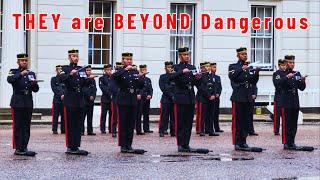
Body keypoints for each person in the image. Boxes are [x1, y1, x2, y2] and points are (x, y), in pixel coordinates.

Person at [170, 47, 209, 154]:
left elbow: (197, 83)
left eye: (188, 54)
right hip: (180, 97)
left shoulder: (192, 67)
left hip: (190, 97)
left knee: (188, 123)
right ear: (180, 56)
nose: (187, 56)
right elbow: (171, 77)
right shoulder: (176, 67)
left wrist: (198, 78)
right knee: (180, 122)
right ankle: (180, 144)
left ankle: (186, 144)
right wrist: (182, 72)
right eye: (184, 55)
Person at [59, 49, 94, 155]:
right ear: (69, 57)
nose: (76, 58)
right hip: (70, 98)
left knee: (78, 124)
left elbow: (83, 83)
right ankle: (70, 147)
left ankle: (76, 146)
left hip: (80, 99)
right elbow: (60, 79)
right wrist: (70, 74)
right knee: (70, 124)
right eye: (73, 56)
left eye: (77, 56)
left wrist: (89, 79)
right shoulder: (64, 68)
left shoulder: (81, 69)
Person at [276, 55, 314, 151]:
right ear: (285, 63)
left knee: (293, 124)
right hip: (285, 101)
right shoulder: (280, 73)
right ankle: (286, 143)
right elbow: (277, 85)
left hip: (294, 101)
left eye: (293, 62)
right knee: (286, 123)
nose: (292, 64)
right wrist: (287, 78)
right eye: (290, 62)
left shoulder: (297, 74)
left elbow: (301, 88)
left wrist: (302, 81)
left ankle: (292, 142)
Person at [228, 47, 262, 152]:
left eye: (246, 54)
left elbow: (253, 81)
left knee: (246, 120)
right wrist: (242, 69)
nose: (245, 56)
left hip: (247, 96)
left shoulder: (249, 67)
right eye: (242, 54)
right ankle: (237, 142)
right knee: (238, 121)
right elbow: (232, 76)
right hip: (238, 95)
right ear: (238, 55)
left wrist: (256, 73)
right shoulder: (233, 66)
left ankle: (243, 141)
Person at [112, 52, 146, 154]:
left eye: (130, 59)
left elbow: (139, 85)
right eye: (127, 59)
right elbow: (113, 78)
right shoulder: (120, 71)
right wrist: (124, 70)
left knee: (131, 124)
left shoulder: (134, 71)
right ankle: (123, 145)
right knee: (123, 123)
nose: (129, 61)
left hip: (132, 99)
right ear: (123, 60)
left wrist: (141, 78)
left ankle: (129, 144)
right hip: (123, 99)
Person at [7, 53, 39, 156]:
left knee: (26, 126)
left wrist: (34, 84)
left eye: (26, 61)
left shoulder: (31, 73)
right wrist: (21, 74)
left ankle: (24, 147)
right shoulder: (13, 72)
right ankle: (18, 148)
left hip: (28, 102)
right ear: (18, 62)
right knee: (18, 125)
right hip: (18, 101)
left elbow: (36, 90)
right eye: (22, 61)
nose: (24, 62)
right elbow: (10, 80)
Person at [196, 62, 219, 137]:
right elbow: (202, 87)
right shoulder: (201, 76)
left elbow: (214, 86)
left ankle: (210, 130)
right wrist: (209, 95)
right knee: (203, 115)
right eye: (206, 66)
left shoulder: (212, 75)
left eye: (209, 66)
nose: (208, 68)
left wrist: (214, 95)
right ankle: (201, 130)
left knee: (211, 115)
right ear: (203, 68)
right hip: (204, 98)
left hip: (212, 98)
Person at [158, 61, 175, 137]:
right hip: (166, 99)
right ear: (165, 68)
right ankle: (162, 130)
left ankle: (173, 131)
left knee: (173, 116)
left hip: (174, 99)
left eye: (171, 67)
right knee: (164, 116)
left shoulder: (176, 76)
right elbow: (164, 88)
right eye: (168, 67)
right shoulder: (162, 77)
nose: (170, 69)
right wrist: (171, 94)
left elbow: (177, 87)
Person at [136, 65, 153, 135]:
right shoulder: (138, 78)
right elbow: (137, 88)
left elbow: (150, 88)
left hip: (147, 98)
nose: (145, 71)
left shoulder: (148, 79)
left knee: (146, 114)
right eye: (143, 70)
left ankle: (146, 128)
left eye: (145, 69)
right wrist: (139, 94)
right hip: (140, 98)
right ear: (140, 70)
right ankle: (138, 130)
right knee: (139, 114)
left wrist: (150, 95)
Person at [272, 59, 286, 136]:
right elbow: (277, 84)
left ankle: (285, 129)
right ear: (279, 65)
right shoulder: (276, 74)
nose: (284, 67)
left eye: (284, 65)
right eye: (282, 65)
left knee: (285, 116)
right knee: (277, 115)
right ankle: (276, 130)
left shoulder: (287, 73)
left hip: (286, 97)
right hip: (279, 97)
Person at [82, 65, 97, 136]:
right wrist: (89, 96)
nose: (89, 71)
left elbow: (94, 89)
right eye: (87, 70)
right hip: (84, 100)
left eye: (90, 70)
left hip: (91, 101)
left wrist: (93, 96)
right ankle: (81, 131)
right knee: (82, 117)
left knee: (90, 116)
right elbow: (84, 89)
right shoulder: (83, 79)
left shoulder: (93, 79)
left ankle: (90, 131)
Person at [51, 65, 65, 134]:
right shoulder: (53, 79)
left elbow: (66, 88)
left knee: (63, 115)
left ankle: (63, 129)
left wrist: (64, 95)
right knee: (55, 115)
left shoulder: (64, 79)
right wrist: (61, 95)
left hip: (64, 100)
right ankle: (54, 129)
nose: (60, 71)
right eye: (58, 70)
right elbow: (54, 89)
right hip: (57, 100)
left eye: (61, 69)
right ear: (56, 71)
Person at [246, 60, 259, 136]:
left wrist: (254, 94)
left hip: (251, 97)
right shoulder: (242, 74)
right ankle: (244, 129)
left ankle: (251, 130)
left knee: (250, 114)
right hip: (244, 96)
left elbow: (255, 85)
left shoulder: (251, 73)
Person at [99, 64, 113, 135]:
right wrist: (110, 94)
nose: (109, 71)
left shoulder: (113, 78)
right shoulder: (101, 78)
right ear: (104, 70)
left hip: (112, 99)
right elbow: (103, 88)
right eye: (107, 70)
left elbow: (114, 87)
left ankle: (111, 129)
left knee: (111, 114)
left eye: (110, 70)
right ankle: (102, 129)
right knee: (103, 114)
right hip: (105, 99)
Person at [210, 62, 224, 133]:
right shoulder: (209, 77)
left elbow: (220, 87)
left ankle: (217, 128)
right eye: (213, 67)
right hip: (211, 98)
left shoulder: (217, 77)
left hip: (217, 98)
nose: (215, 68)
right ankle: (210, 128)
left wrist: (218, 93)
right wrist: (212, 94)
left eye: (215, 67)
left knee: (216, 113)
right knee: (211, 114)